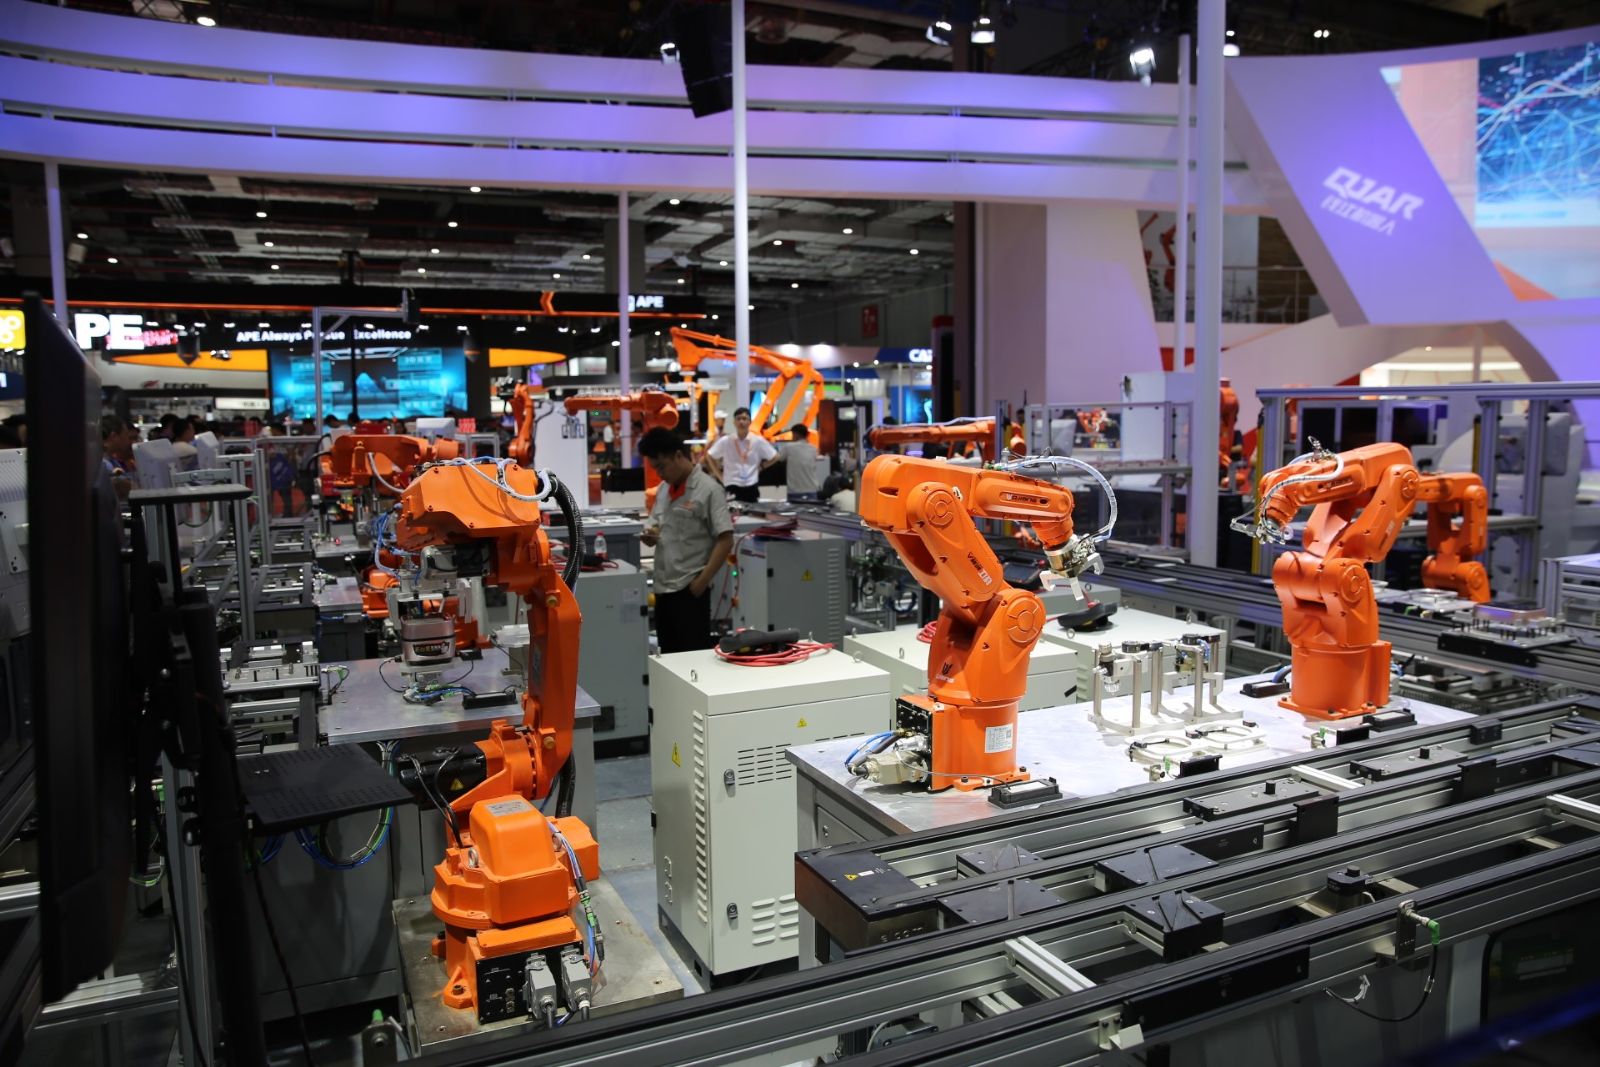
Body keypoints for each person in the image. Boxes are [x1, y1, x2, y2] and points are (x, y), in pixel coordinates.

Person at [639, 427, 733, 654]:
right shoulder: (663, 490)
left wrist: (702, 581)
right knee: (668, 657)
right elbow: (656, 523)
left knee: (693, 658)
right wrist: (651, 534)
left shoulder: (709, 490)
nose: (659, 473)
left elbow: (726, 539)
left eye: (662, 466)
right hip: (663, 587)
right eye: (655, 468)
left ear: (679, 456)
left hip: (690, 590)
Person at [702, 407, 777, 504]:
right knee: (732, 512)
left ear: (750, 422)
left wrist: (762, 466)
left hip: (751, 485)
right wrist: (720, 476)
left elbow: (775, 457)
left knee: (752, 513)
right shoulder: (726, 440)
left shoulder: (757, 441)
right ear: (734, 422)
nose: (741, 422)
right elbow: (709, 455)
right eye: (738, 419)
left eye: (744, 419)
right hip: (732, 485)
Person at [780, 423, 823, 501]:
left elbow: (779, 458)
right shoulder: (813, 449)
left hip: (795, 490)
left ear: (796, 434)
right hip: (812, 489)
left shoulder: (789, 447)